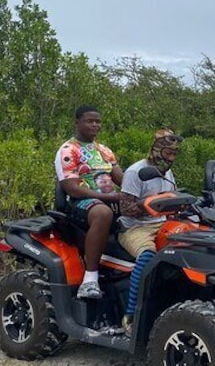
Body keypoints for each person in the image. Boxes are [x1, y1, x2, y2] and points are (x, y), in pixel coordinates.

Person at [118, 129, 183, 331]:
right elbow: (125, 208)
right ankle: (131, 315)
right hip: (136, 228)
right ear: (157, 149)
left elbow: (172, 197)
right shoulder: (135, 172)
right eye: (168, 153)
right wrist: (150, 204)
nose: (171, 158)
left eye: (174, 154)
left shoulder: (167, 172)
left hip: (163, 224)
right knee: (147, 256)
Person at [55, 105, 123, 299]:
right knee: (103, 213)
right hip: (79, 203)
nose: (95, 125)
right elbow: (72, 187)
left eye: (98, 121)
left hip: (110, 199)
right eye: (89, 121)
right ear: (77, 123)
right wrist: (109, 198)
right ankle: (90, 279)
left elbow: (122, 178)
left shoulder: (104, 151)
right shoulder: (69, 150)